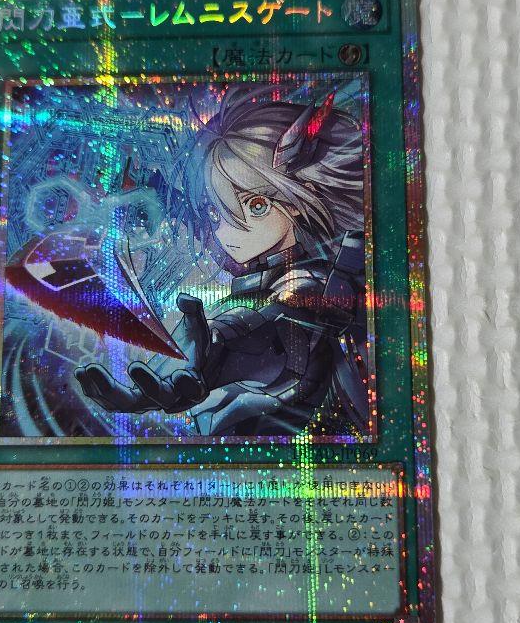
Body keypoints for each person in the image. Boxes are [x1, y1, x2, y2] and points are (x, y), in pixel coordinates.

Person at [75, 83, 371, 438]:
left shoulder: (309, 287)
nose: (227, 233)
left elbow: (270, 323)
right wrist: (179, 363)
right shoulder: (267, 273)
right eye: (216, 215)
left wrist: (214, 346)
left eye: (255, 206)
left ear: (297, 202)